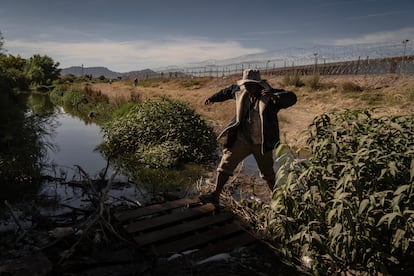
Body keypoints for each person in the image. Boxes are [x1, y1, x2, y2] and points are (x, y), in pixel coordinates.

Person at [201, 69, 297, 205]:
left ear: (258, 84)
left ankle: (277, 202)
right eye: (246, 84)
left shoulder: (270, 95)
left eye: (251, 85)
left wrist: (274, 97)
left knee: (268, 174)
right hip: (243, 140)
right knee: (225, 164)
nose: (248, 87)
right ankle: (215, 195)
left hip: (261, 142)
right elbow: (226, 91)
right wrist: (212, 98)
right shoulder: (239, 91)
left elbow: (291, 97)